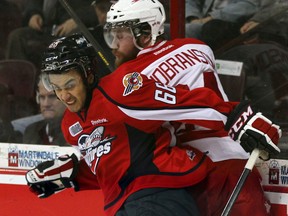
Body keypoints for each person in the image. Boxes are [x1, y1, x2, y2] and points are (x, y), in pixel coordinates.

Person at [25, 33, 282, 216]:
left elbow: (181, 101)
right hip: (122, 205)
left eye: (70, 85)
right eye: (56, 88)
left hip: (159, 197)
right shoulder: (71, 124)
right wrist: (74, 175)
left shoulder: (121, 90)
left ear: (89, 74)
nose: (64, 96)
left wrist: (235, 116)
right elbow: (120, 165)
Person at [102, 0, 274, 215]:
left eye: (120, 35)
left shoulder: (130, 77)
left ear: (144, 34)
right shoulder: (198, 46)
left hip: (194, 170)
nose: (113, 44)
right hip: (237, 159)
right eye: (111, 35)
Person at [5, 0, 98, 69]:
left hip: (79, 27)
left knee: (71, 39)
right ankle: (19, 88)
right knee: (18, 37)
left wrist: (78, 19)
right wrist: (34, 14)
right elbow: (34, 3)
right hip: (48, 28)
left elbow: (106, 6)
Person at [184, 0, 260, 50]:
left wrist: (212, 17)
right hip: (201, 20)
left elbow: (248, 5)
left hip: (230, 22)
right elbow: (191, 2)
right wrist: (193, 18)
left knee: (186, 31)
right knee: (176, 28)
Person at [23, 76, 67, 146]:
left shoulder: (76, 133)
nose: (46, 104)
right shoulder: (31, 131)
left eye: (52, 96)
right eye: (42, 97)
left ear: (66, 98)